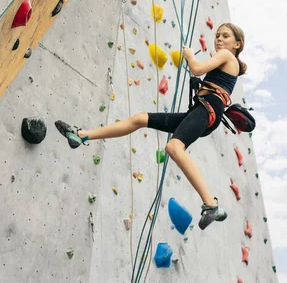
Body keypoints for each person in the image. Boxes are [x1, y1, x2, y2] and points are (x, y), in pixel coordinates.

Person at [55, 22, 247, 230]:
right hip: (201, 110)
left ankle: (211, 205)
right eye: (217, 35)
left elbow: (197, 69)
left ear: (237, 44)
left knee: (174, 147)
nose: (219, 39)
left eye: (225, 36)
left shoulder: (228, 56)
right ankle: (82, 135)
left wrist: (190, 56)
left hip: (207, 110)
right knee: (140, 119)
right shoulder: (226, 61)